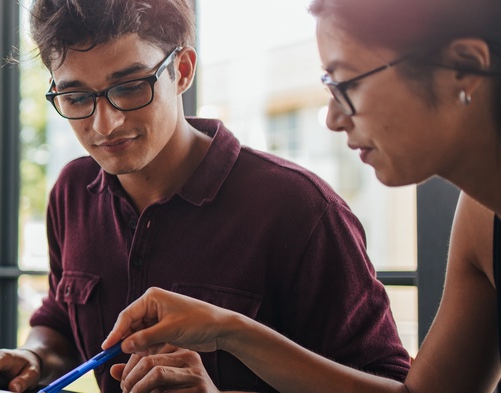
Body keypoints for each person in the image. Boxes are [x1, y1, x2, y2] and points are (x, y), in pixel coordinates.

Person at [0, 0, 411, 391]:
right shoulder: (72, 192)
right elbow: (61, 322)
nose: (104, 125)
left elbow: (387, 384)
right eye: (76, 98)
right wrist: (34, 355)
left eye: (129, 88)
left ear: (182, 70)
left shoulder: (301, 209)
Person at [103, 0, 501, 392]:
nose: (332, 117)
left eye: (348, 82)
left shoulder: (303, 204)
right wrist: (229, 329)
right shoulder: (481, 216)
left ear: (463, 68)